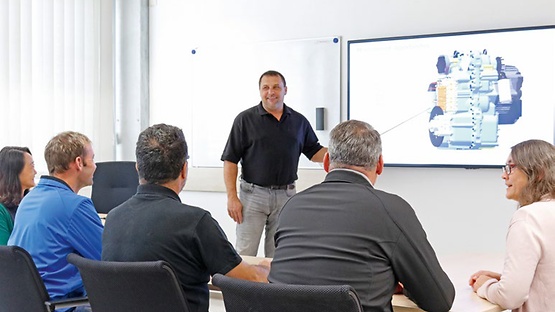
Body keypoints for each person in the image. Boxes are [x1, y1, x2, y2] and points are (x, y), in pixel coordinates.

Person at [268, 120, 455, 312]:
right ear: (380, 165)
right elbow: (440, 300)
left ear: (326, 162)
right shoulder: (392, 210)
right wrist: (403, 285)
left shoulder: (292, 206)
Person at [102, 123, 269, 312]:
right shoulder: (196, 223)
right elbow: (250, 280)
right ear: (184, 170)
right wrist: (266, 267)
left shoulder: (113, 219)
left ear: (138, 168)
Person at [221, 70, 327, 257]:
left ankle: (273, 288)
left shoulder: (299, 121)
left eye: (276, 87)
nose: (271, 92)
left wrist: (339, 152)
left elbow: (314, 151)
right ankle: (240, 288)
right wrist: (232, 197)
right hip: (252, 196)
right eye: (266, 88)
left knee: (279, 255)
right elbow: (230, 160)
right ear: (260, 91)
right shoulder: (244, 120)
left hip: (286, 197)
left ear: (285, 90)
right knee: (245, 253)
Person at [8, 131, 103, 311]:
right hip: (62, 305)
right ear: (79, 163)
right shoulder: (74, 205)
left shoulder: (29, 199)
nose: (96, 166)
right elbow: (107, 260)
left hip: (27, 304)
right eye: (93, 159)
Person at [469, 139, 555, 311]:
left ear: (538, 172)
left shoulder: (528, 217)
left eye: (511, 167)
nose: (504, 175)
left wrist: (485, 285)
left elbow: (510, 298)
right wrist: (504, 280)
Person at [0, 146, 36, 245]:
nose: (35, 172)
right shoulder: (1, 211)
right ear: (15, 171)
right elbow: (4, 254)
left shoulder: (30, 204)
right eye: (31, 166)